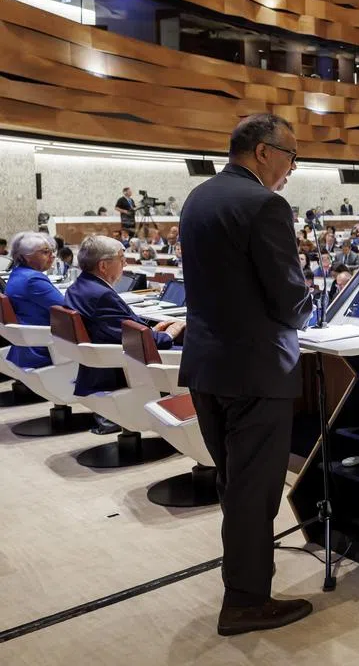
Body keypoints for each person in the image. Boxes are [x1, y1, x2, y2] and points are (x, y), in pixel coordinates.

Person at [178, 114, 314, 635]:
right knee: (255, 492)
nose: (292, 169)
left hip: (208, 366)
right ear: (263, 152)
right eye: (292, 157)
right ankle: (246, 602)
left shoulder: (200, 198)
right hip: (255, 370)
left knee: (234, 487)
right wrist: (308, 311)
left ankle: (242, 584)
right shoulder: (265, 204)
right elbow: (287, 296)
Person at [65, 236, 184, 433]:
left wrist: (149, 330)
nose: (125, 263)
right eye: (122, 258)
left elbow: (114, 329)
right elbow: (136, 340)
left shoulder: (79, 287)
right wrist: (169, 334)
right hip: (120, 371)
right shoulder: (101, 295)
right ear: (103, 265)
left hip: (97, 368)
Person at [4, 232, 65, 369]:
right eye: (45, 252)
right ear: (26, 256)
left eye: (52, 251)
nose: (53, 256)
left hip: (26, 347)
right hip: (42, 350)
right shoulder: (33, 280)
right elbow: (67, 309)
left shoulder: (18, 273)